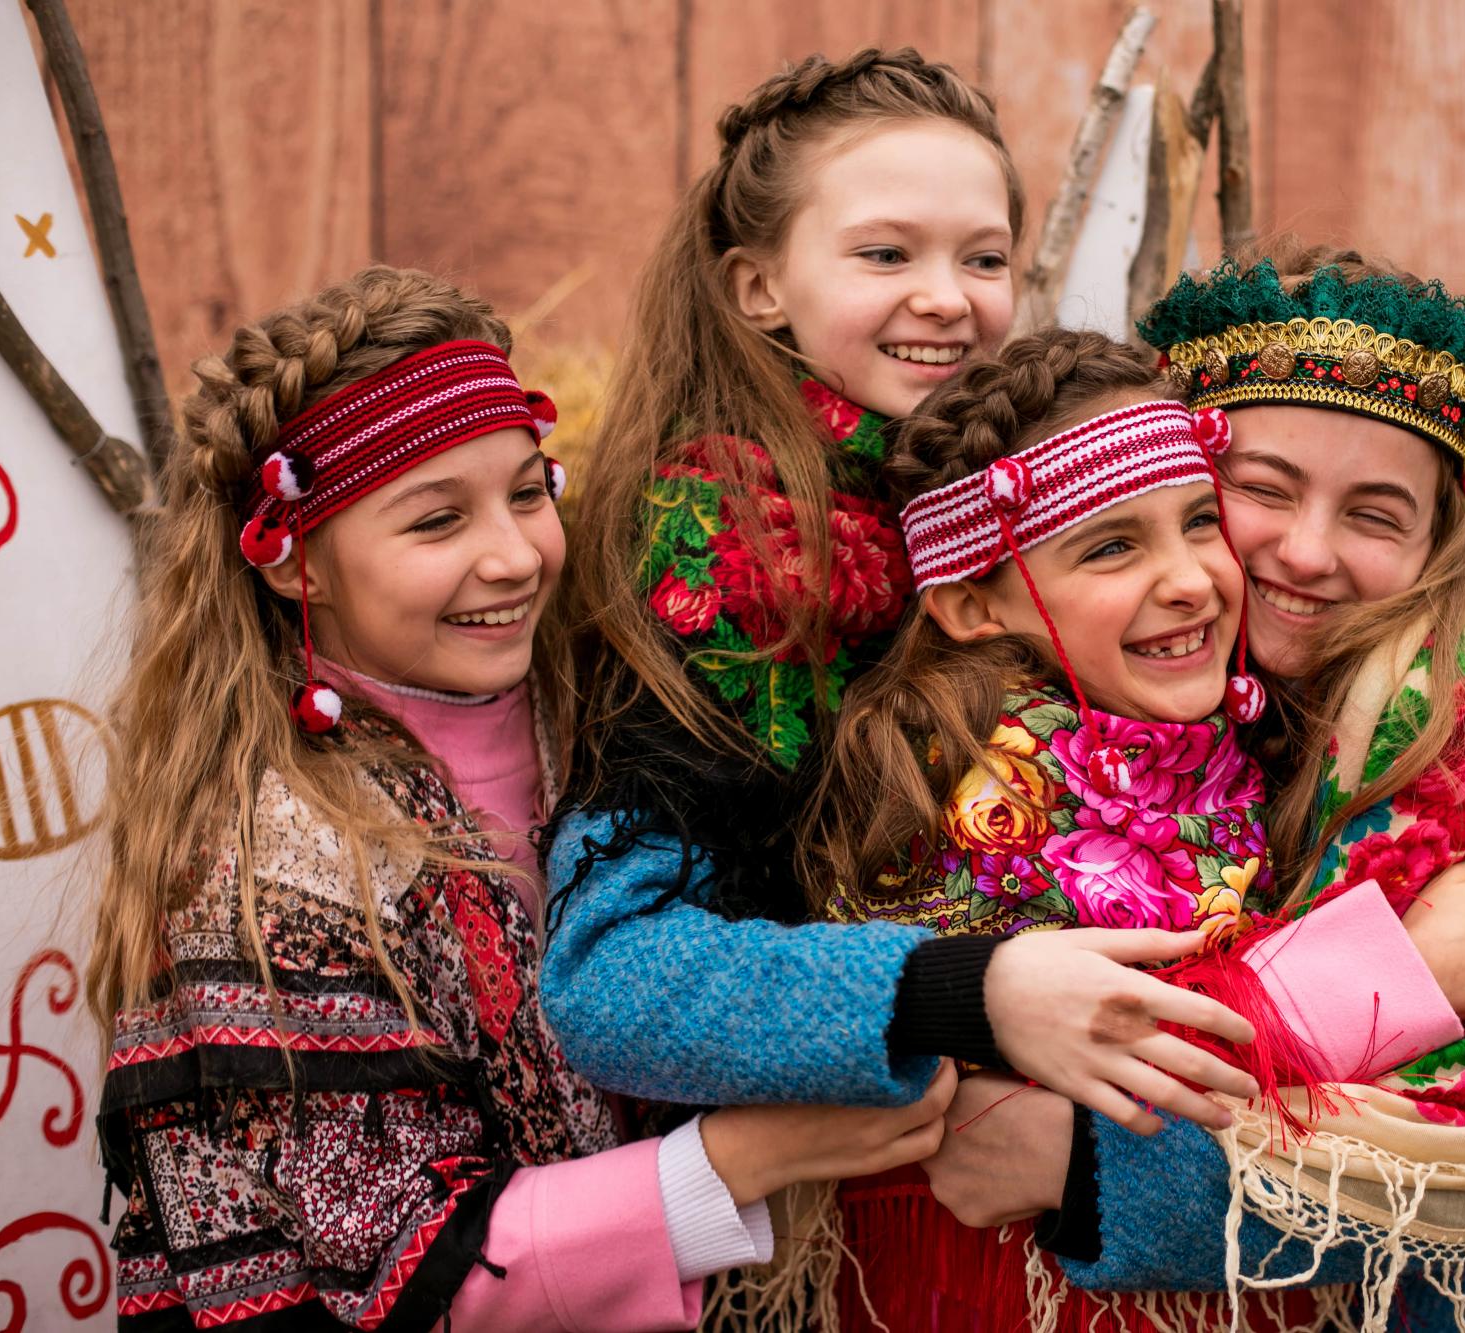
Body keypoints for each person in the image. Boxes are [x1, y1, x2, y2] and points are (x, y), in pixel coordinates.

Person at [89, 266, 963, 1332]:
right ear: (295, 562)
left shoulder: (594, 711)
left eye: (524, 490)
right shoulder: (272, 859)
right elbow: (410, 1265)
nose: (511, 556)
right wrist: (739, 1160)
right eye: (433, 523)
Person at [927, 250, 1465, 1331]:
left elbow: (1413, 1151)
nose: (1305, 552)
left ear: (1432, 544)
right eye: (1258, 491)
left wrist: (1076, 1153)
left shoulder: (1445, 710)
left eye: (1372, 516)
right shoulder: (1203, 695)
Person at [541, 49, 1264, 1150]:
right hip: (828, 1176)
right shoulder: (719, 551)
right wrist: (964, 992)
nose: (946, 297)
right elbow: (613, 979)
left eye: (983, 257)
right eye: (885, 253)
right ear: (758, 285)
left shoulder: (1038, 489)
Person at [811, 326, 1465, 1331]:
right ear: (967, 603)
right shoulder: (975, 781)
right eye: (1111, 546)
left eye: (1196, 522)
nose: (1190, 579)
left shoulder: (1223, 738)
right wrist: (1406, 970)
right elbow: (1107, 1046)